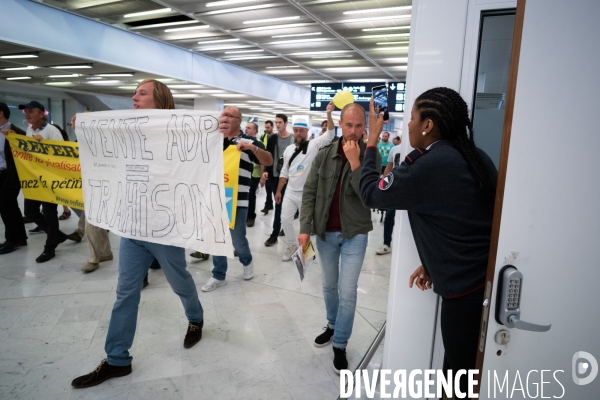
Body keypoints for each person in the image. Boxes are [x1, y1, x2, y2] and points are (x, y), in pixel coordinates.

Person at [357, 88, 497, 395]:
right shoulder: (474, 156)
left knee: (457, 378)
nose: (408, 126)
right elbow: (464, 221)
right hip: (476, 281)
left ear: (428, 124)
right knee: (463, 370)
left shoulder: (434, 163)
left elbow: (372, 193)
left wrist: (370, 143)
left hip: (464, 293)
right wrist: (434, 261)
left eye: (412, 118)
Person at [71, 80, 206, 388]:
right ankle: (118, 359)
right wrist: (87, 126)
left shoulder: (179, 133)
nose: (134, 97)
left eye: (141, 93)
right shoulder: (127, 130)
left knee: (179, 281)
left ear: (160, 100)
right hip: (132, 225)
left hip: (165, 229)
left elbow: (204, 151)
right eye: (134, 93)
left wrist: (220, 129)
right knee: (125, 292)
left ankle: (195, 317)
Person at [298, 102, 379, 374]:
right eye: (349, 125)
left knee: (347, 291)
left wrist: (356, 161)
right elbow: (309, 191)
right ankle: (332, 325)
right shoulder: (324, 153)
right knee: (328, 286)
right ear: (340, 125)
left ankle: (340, 344)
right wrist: (304, 227)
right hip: (324, 233)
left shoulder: (371, 156)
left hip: (355, 234)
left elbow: (369, 197)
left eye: (359, 126)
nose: (353, 131)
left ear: (364, 127)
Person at [201, 106, 273, 292]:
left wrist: (252, 148)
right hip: (215, 197)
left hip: (237, 200)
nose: (223, 118)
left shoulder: (248, 141)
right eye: (222, 115)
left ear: (239, 120)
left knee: (237, 239)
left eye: (228, 116)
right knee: (218, 238)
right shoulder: (214, 139)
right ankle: (218, 275)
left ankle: (246, 260)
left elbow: (268, 161)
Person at [277, 103, 335, 261]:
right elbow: (284, 172)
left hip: (307, 193)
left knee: (306, 225)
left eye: (301, 131)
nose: (298, 133)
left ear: (307, 131)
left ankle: (306, 251)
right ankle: (291, 245)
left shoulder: (314, 145)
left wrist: (329, 114)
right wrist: (278, 191)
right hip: (290, 191)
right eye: (296, 130)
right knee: (285, 220)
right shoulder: (289, 149)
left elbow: (330, 135)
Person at [18, 101, 68, 263]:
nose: (27, 114)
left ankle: (50, 248)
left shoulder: (51, 130)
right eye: (26, 111)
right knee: (30, 211)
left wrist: (43, 144)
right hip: (34, 178)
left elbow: (62, 153)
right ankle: (57, 236)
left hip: (49, 179)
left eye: (31, 111)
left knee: (49, 213)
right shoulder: (28, 130)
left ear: (42, 114)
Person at [0, 102, 28, 255]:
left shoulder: (16, 133)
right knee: (10, 206)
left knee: (5, 206)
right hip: (0, 175)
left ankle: (12, 239)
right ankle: (21, 237)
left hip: (10, 176)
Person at [262, 114, 293, 246]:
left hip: (291, 178)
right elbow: (267, 156)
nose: (278, 124)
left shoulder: (293, 139)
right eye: (276, 122)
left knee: (289, 207)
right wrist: (265, 172)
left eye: (280, 122)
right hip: (275, 176)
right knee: (278, 205)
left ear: (286, 123)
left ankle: (285, 228)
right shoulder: (272, 138)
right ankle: (274, 234)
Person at [376, 135, 402, 255]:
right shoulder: (395, 149)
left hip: (410, 191)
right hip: (395, 189)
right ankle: (386, 244)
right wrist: (383, 184)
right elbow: (389, 168)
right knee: (389, 215)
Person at [245, 121, 262, 227]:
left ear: (255, 131)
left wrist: (262, 176)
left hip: (255, 174)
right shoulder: (240, 141)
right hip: (244, 174)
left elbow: (264, 161)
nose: (246, 129)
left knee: (251, 195)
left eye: (249, 128)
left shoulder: (258, 144)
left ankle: (251, 217)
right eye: (246, 127)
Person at [260, 120, 275, 215]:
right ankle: (268, 204)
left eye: (268, 127)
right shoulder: (263, 136)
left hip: (274, 164)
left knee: (273, 187)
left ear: (272, 127)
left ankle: (269, 204)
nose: (266, 129)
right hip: (266, 164)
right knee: (268, 187)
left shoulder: (275, 138)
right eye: (265, 127)